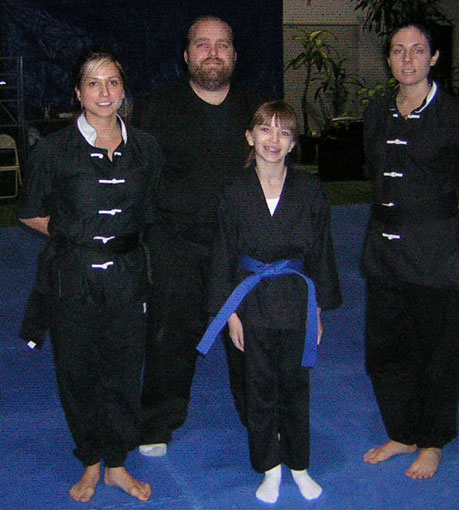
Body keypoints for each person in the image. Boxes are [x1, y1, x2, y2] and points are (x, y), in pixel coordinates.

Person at [17, 50, 163, 502]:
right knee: (77, 373)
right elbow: (29, 211)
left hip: (128, 277)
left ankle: (116, 464)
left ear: (123, 91)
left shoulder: (147, 147)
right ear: (78, 93)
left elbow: (150, 211)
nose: (104, 92)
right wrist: (79, 236)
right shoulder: (53, 150)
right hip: (73, 277)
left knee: (124, 371)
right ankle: (91, 462)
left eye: (113, 82)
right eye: (94, 83)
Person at [361, 23, 459, 479]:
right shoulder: (377, 112)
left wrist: (451, 233)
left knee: (437, 351)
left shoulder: (454, 115)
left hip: (437, 252)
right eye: (398, 50)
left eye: (418, 50)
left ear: (433, 58)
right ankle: (403, 432)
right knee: (385, 349)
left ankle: (432, 440)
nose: (408, 59)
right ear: (389, 59)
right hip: (384, 250)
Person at [133, 15, 265, 457]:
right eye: (203, 45)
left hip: (242, 245)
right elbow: (138, 176)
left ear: (234, 55)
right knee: (169, 334)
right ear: (187, 54)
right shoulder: (155, 107)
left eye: (222, 45)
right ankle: (158, 421)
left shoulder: (258, 107)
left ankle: (261, 416)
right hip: (174, 241)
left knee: (252, 334)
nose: (213, 53)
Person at [197, 101, 342, 503]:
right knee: (258, 388)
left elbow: (321, 251)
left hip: (296, 300)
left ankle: (299, 464)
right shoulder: (234, 192)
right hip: (251, 302)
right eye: (265, 130)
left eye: (284, 132)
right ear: (250, 137)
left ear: (294, 143)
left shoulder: (309, 190)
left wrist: (317, 310)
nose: (273, 140)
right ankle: (270, 467)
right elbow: (223, 254)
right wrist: (231, 315)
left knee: (296, 386)